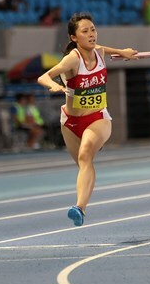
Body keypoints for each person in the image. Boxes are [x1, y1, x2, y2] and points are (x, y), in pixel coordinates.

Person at [37, 13, 138, 226]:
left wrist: (123, 52)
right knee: (85, 164)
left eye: (93, 29)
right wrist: (52, 85)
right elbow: (44, 76)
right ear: (74, 38)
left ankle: (79, 208)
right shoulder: (72, 59)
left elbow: (104, 49)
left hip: (98, 117)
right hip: (71, 122)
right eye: (85, 31)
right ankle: (83, 206)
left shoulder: (99, 51)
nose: (91, 34)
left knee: (84, 155)